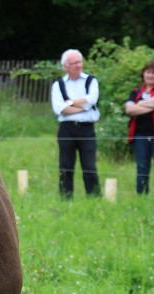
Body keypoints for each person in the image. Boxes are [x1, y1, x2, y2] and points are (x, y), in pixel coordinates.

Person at [50, 48, 100, 199]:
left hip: (87, 128)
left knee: (89, 165)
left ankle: (94, 198)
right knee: (65, 165)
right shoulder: (58, 85)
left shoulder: (91, 81)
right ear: (65, 66)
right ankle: (66, 198)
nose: (78, 65)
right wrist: (82, 107)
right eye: (74, 63)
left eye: (80, 62)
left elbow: (91, 101)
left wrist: (70, 103)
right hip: (67, 129)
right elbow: (59, 108)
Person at [124, 59, 154, 198]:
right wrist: (152, 106)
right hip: (140, 135)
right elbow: (129, 109)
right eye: (148, 72)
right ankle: (142, 199)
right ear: (143, 74)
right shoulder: (136, 91)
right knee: (142, 169)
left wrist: (139, 105)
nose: (150, 76)